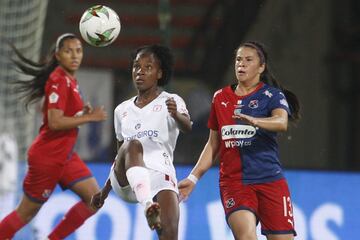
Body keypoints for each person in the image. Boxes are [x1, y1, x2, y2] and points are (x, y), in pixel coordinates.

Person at [178, 41, 300, 240]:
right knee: (245, 237)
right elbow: (213, 144)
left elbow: (281, 122)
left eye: (248, 60)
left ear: (261, 67)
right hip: (235, 182)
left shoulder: (271, 96)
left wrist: (255, 121)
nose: (241, 64)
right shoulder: (220, 98)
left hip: (270, 179)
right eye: (238, 60)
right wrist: (193, 178)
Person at [0, 33, 108, 240]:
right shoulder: (58, 80)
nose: (75, 55)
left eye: (78, 50)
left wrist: (81, 113)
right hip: (47, 158)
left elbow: (64, 115)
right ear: (58, 55)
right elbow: (55, 122)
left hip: (65, 156)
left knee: (95, 198)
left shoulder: (70, 79)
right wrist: (90, 117)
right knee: (26, 213)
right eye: (68, 51)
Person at [91, 44, 192, 239]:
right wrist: (104, 192)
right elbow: (122, 155)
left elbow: (187, 126)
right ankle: (148, 206)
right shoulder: (121, 110)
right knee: (133, 144)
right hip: (127, 183)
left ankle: (152, 209)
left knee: (170, 233)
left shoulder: (172, 100)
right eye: (136, 66)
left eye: (148, 67)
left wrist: (176, 114)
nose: (140, 72)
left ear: (159, 73)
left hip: (160, 173)